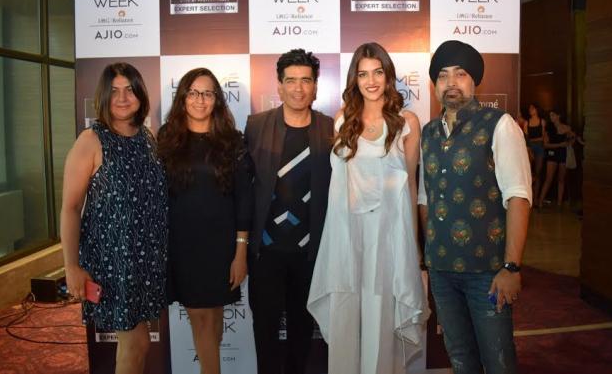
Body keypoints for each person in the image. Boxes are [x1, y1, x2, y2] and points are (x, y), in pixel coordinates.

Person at [308, 42, 427, 374]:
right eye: (363, 74)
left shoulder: (407, 122)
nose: (371, 81)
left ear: (388, 76)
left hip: (388, 237)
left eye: (378, 72)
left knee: (381, 320)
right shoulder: (342, 121)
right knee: (346, 318)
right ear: (354, 79)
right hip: (347, 237)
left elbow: (411, 185)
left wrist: (414, 245)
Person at [420, 40, 532, 374]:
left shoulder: (500, 125)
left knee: (498, 360)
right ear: (435, 84)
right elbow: (426, 200)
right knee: (460, 358)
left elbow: (518, 197)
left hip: (488, 273)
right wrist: (429, 258)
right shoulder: (428, 133)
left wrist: (512, 267)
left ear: (474, 81)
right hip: (441, 272)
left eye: (460, 74)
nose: (451, 82)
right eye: (443, 75)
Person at [60, 63, 168, 374]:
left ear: (140, 95)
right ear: (104, 97)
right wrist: (71, 266)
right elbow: (70, 208)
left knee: (139, 343)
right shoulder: (91, 140)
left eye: (129, 90)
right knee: (134, 344)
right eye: (115, 91)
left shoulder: (147, 136)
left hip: (145, 262)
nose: (122, 98)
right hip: (113, 264)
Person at [157, 68, 253, 374]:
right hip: (183, 246)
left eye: (208, 93)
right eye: (194, 93)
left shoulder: (231, 141)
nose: (200, 100)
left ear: (217, 100)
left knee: (214, 320)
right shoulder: (167, 138)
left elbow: (244, 200)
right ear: (183, 97)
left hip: (222, 247)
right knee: (201, 320)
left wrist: (240, 252)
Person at [244, 49, 334, 374]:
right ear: (279, 86)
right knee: (265, 332)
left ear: (315, 87)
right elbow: (243, 187)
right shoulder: (256, 126)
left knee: (302, 332)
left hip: (311, 254)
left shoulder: (330, 129)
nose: (298, 88)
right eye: (291, 81)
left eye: (306, 81)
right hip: (265, 253)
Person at [538, 109, 574, 207]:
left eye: (553, 115)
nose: (551, 117)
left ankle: (559, 203)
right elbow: (545, 145)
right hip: (552, 154)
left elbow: (572, 140)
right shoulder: (549, 128)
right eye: (550, 115)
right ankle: (540, 201)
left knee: (561, 179)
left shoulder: (566, 128)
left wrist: (570, 140)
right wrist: (559, 145)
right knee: (548, 178)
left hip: (563, 153)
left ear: (558, 116)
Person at [523, 103, 546, 205]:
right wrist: (530, 146)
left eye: (532, 108)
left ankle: (536, 198)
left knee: (538, 173)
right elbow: (526, 139)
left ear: (537, 110)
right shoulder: (526, 122)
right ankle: (530, 198)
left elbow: (543, 138)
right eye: (529, 108)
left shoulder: (542, 122)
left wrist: (533, 140)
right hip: (530, 148)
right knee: (529, 173)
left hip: (539, 148)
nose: (530, 110)